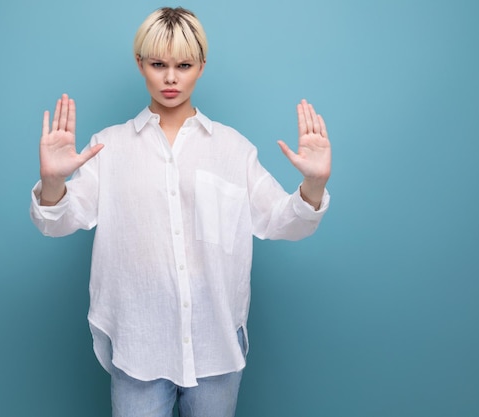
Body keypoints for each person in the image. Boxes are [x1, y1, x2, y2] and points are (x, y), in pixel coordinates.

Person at [30, 6, 331, 417]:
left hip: (216, 347)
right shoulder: (109, 147)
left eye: (184, 65)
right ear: (141, 64)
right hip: (139, 345)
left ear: (201, 66)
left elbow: (282, 221)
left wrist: (313, 185)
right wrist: (52, 182)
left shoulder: (233, 149)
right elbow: (60, 220)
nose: (171, 78)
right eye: (158, 64)